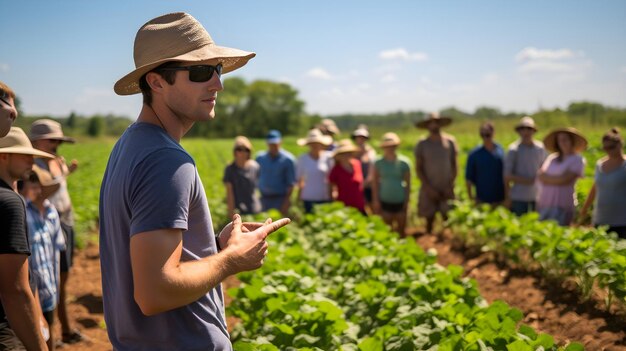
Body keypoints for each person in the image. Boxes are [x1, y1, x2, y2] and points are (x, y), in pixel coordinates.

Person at [100, 12, 290, 350]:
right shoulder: (165, 159)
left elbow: (149, 263)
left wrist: (212, 247)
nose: (217, 83)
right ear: (156, 82)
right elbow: (155, 293)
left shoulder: (130, 145)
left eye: (216, 69)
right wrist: (232, 259)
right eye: (201, 72)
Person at [29, 118, 85, 345]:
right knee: (51, 280)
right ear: (37, 141)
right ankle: (52, 334)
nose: (56, 145)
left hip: (64, 221)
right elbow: (39, 192)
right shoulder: (33, 165)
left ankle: (63, 330)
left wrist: (66, 171)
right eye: (52, 140)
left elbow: (56, 186)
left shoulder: (53, 162)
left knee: (63, 278)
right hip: (47, 224)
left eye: (58, 140)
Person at [0, 127, 51, 351]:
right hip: (7, 328)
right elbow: (15, 290)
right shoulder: (10, 202)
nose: (32, 162)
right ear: (4, 155)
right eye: (26, 155)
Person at [18, 166, 65, 351]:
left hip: (49, 285)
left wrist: (57, 283)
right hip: (31, 289)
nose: (39, 191)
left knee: (49, 328)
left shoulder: (51, 211)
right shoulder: (22, 212)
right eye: (34, 186)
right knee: (33, 335)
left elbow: (56, 250)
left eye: (41, 187)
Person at [414, 112, 457, 234]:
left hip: (446, 185)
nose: (434, 125)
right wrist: (428, 187)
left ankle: (448, 240)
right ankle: (429, 239)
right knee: (429, 216)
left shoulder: (450, 142)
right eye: (431, 123)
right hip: (429, 186)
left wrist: (450, 185)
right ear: (427, 126)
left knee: (448, 216)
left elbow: (454, 165)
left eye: (436, 122)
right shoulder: (422, 144)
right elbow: (419, 168)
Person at [580, 128, 626, 238]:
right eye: (605, 148)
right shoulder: (599, 165)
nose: (608, 151)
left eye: (611, 147)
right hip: (601, 219)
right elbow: (595, 188)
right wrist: (585, 209)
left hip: (622, 221)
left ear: (620, 145)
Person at [537, 127, 587, 226]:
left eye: (565, 140)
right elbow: (540, 175)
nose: (563, 143)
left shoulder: (577, 159)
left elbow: (565, 179)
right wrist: (557, 179)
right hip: (546, 202)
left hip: (563, 203)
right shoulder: (552, 158)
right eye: (560, 140)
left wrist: (548, 179)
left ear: (571, 141)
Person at [504, 117, 547, 216]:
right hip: (518, 197)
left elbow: (544, 169)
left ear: (533, 131)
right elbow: (507, 176)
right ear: (519, 131)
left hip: (537, 197)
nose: (526, 131)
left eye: (529, 129)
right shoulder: (513, 149)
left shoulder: (540, 148)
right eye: (523, 129)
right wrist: (507, 197)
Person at [372, 133, 411, 236]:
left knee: (401, 228)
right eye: (387, 146)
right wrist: (375, 200)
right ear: (383, 147)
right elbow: (375, 182)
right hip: (385, 200)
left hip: (400, 200)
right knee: (387, 229)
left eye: (392, 146)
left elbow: (408, 184)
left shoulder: (404, 163)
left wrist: (407, 201)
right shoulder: (378, 163)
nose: (390, 148)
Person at [256, 129, 296, 215]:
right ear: (267, 143)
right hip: (263, 198)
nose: (273, 146)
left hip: (280, 199)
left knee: (278, 225)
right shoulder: (260, 158)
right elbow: (255, 177)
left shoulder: (288, 160)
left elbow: (291, 184)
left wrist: (286, 202)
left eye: (275, 143)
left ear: (280, 142)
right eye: (271, 144)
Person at [465, 122, 505, 205]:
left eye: (487, 134)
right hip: (482, 199)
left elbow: (505, 174)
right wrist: (471, 198)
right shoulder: (474, 154)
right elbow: (468, 179)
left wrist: (508, 196)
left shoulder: (500, 151)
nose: (485, 137)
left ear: (493, 133)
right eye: (482, 135)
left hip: (500, 199)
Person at [296, 128, 333, 213]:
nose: (315, 145)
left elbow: (332, 178)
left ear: (321, 144)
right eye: (312, 143)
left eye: (317, 143)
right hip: (308, 197)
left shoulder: (328, 157)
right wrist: (298, 199)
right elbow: (300, 180)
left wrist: (332, 193)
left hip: (325, 197)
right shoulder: (303, 158)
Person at [223, 136, 261, 219]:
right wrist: (231, 214)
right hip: (238, 212)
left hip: (254, 209)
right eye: (239, 149)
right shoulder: (230, 169)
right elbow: (229, 193)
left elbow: (257, 188)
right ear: (235, 152)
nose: (243, 152)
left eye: (246, 150)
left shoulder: (255, 166)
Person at [328, 139, 366, 214]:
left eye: (349, 153)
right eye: (344, 153)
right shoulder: (336, 169)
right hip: (344, 205)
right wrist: (333, 197)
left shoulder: (357, 164)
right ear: (339, 155)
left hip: (359, 203)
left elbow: (360, 184)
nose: (347, 155)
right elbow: (330, 186)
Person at [351, 125, 376, 210]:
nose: (360, 140)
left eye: (363, 137)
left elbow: (371, 172)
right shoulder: (351, 152)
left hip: (368, 185)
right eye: (358, 137)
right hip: (355, 186)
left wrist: (363, 184)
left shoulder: (371, 152)